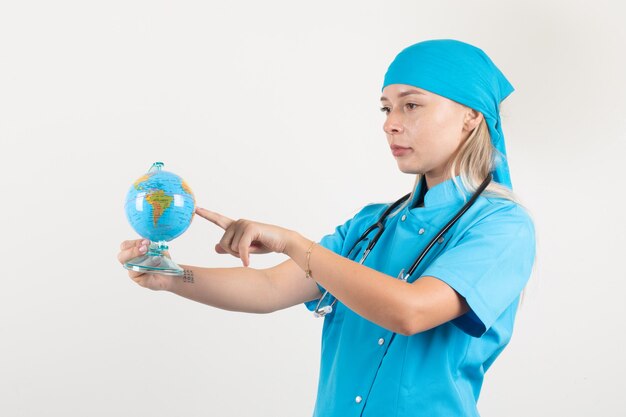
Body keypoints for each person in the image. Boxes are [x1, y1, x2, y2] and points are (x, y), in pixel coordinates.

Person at [117, 39, 536, 416]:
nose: (390, 123)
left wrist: (294, 244)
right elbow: (268, 289)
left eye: (412, 105)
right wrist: (171, 275)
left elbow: (411, 311)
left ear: (470, 117)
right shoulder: (373, 224)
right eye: (386, 107)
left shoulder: (502, 227)